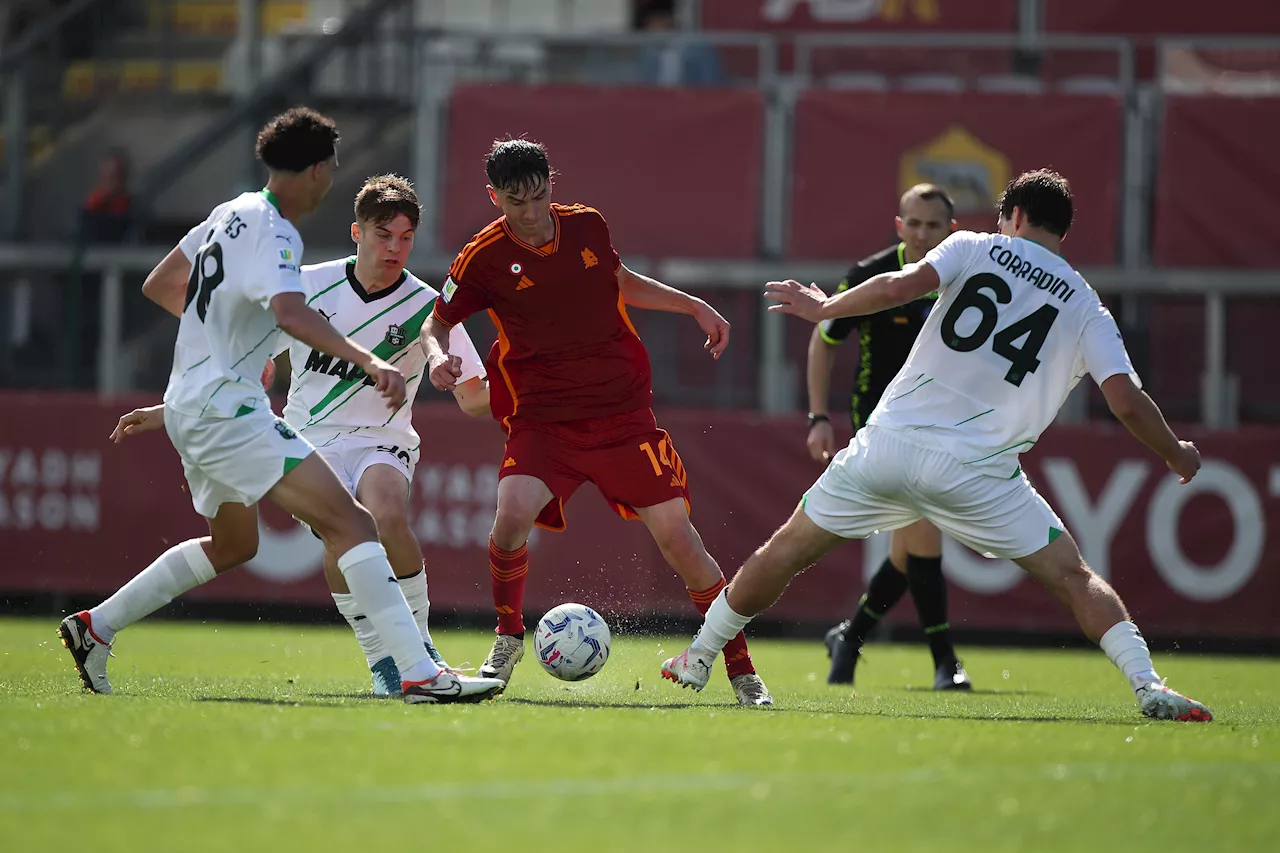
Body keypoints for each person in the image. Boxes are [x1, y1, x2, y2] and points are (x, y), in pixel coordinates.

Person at [661, 169, 1213, 722]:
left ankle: (700, 656)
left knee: (785, 551)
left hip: (889, 447)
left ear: (1014, 217)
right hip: (979, 474)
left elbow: (900, 286)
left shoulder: (974, 246)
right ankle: (1147, 686)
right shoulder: (1088, 307)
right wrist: (1175, 453)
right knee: (1074, 578)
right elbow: (1125, 402)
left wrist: (827, 308)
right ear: (1061, 230)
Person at [56, 107, 504, 704]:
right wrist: (368, 361)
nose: (329, 180)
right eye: (330, 169)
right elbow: (290, 316)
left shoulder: (229, 214)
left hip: (194, 402)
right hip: (231, 412)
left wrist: (219, 360)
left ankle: (94, 627)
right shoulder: (279, 233)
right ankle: (417, 670)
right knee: (351, 522)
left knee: (234, 545)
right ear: (316, 170)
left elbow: (164, 285)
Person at [421, 137, 773, 706]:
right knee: (509, 520)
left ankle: (741, 669)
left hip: (621, 415)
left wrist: (694, 305)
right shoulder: (481, 258)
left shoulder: (587, 226)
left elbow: (621, 282)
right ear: (494, 198)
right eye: (515, 203)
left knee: (680, 541)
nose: (530, 214)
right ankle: (508, 639)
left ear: (551, 185)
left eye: (538, 197)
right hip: (543, 419)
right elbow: (436, 324)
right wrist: (438, 358)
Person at [267, 173, 491, 695]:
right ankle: (381, 660)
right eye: (383, 234)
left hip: (381, 438)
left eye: (406, 237)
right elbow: (255, 350)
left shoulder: (429, 307)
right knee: (346, 532)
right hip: (307, 439)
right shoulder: (306, 284)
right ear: (356, 233)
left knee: (386, 515)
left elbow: (475, 398)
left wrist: (525, 382)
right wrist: (255, 368)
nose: (395, 247)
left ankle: (422, 648)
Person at [806, 184, 970, 690]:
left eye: (933, 226)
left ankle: (850, 638)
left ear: (952, 230)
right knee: (922, 531)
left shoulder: (967, 277)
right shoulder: (871, 275)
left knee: (907, 548)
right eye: (913, 225)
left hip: (943, 426)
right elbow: (824, 336)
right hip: (880, 424)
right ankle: (945, 662)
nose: (923, 234)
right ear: (899, 227)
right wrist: (818, 416)